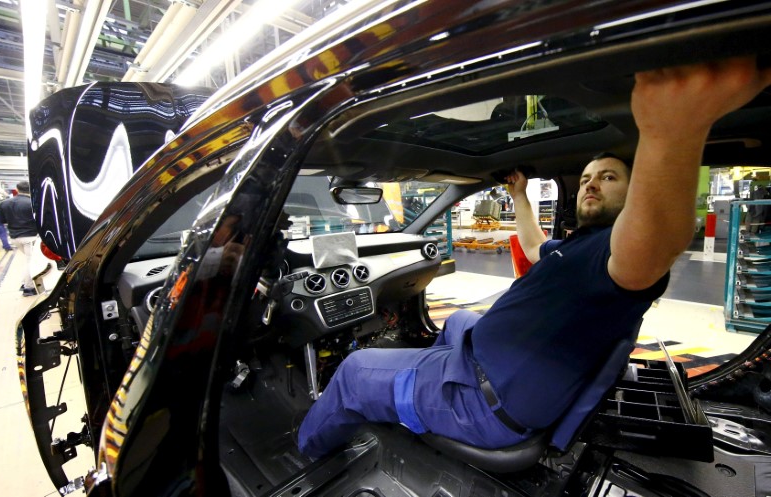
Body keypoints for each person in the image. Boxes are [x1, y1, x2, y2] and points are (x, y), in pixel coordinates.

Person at [297, 57, 771, 458]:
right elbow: (531, 246)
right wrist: (520, 195)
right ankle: (422, 376)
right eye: (587, 177)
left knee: (356, 374)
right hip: (498, 366)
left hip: (484, 401)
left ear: (636, 195)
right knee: (460, 318)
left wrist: (672, 130)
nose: (590, 183)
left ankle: (305, 455)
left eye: (608, 178)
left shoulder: (619, 254)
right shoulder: (580, 247)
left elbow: (657, 242)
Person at [0, 181, 39, 296]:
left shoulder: (4, 204)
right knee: (31, 261)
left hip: (14, 237)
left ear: (17, 189)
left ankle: (24, 283)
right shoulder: (32, 203)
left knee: (28, 260)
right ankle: (28, 288)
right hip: (30, 237)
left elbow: (2, 221)